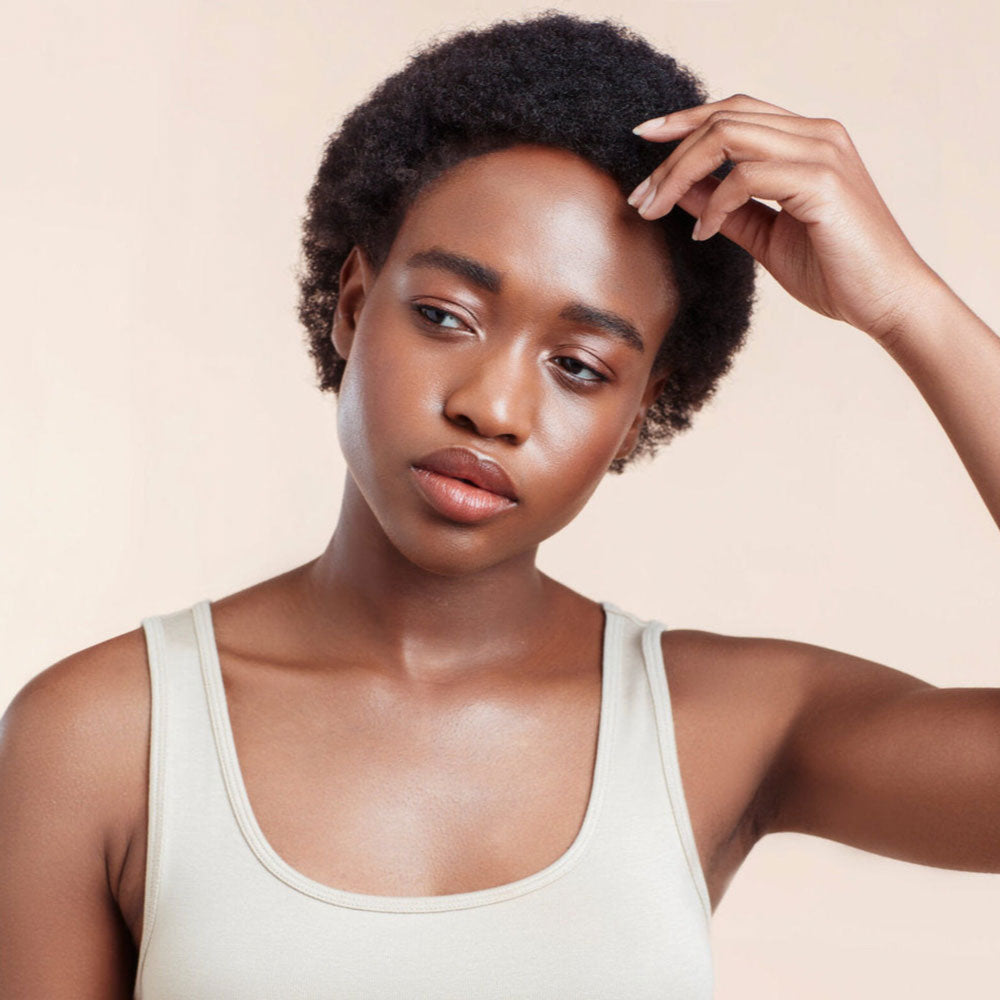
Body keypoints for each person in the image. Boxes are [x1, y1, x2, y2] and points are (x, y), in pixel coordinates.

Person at [1, 10, 998, 999]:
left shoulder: (725, 723)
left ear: (639, 411)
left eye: (578, 366)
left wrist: (907, 303)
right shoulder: (105, 735)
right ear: (353, 305)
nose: (492, 405)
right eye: (445, 315)